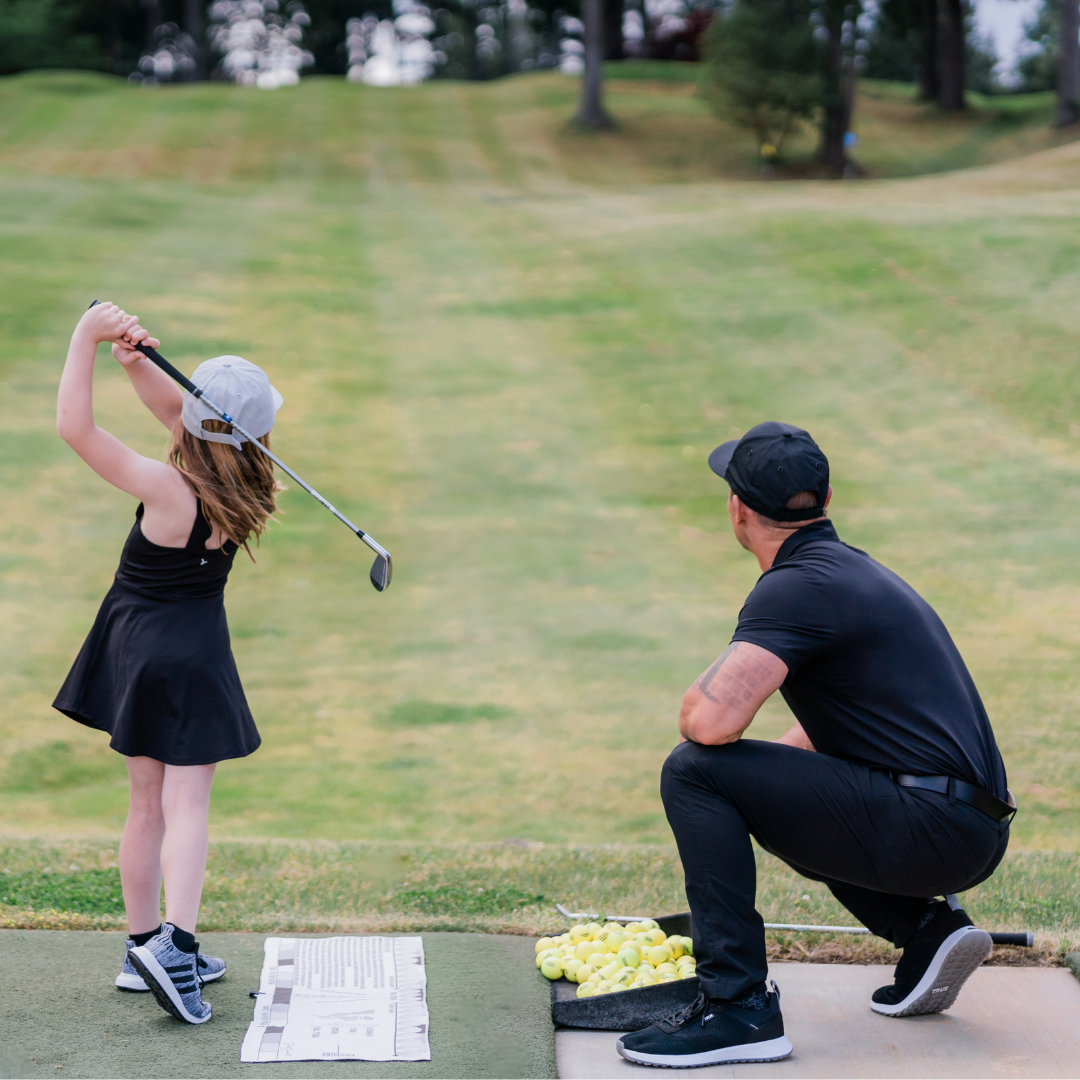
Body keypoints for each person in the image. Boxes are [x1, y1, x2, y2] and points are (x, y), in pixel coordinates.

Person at [617, 422, 1014, 1069]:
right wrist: (771, 788)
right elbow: (849, 727)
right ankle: (926, 932)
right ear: (824, 497)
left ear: (738, 509)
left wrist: (750, 779)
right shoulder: (850, 570)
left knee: (695, 771)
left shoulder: (798, 588)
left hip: (933, 827)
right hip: (968, 823)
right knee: (775, 781)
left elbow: (709, 723)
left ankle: (737, 1007)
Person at [54, 302, 283, 1025]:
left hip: (136, 645)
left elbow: (75, 431)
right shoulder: (253, 475)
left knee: (150, 805)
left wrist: (85, 341)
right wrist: (136, 366)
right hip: (194, 650)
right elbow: (184, 422)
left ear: (190, 420)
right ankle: (170, 947)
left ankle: (155, 946)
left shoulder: (166, 486)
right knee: (190, 805)